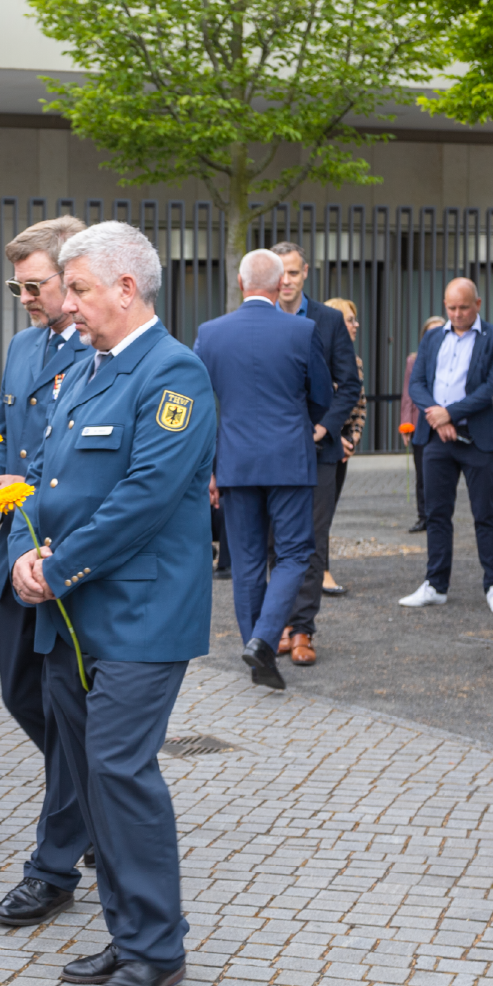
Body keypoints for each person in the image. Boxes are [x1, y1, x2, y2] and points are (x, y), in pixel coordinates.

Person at [9, 220, 215, 986]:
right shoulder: (88, 370)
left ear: (127, 288)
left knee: (121, 770)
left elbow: (143, 498)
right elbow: (47, 481)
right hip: (72, 612)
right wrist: (27, 555)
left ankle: (157, 949)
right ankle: (129, 930)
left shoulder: (173, 372)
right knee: (91, 772)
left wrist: (54, 567)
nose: (67, 304)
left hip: (138, 613)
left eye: (80, 289)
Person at [0, 215, 94, 930]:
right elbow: (4, 429)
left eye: (34, 285)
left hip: (62, 552)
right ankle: (96, 798)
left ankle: (56, 859)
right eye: (16, 286)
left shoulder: (98, 351)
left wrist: (28, 484)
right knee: (19, 689)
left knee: (64, 703)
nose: (25, 298)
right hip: (14, 542)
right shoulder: (23, 346)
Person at [194, 249, 329, 689]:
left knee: (247, 560)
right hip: (289, 458)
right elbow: (322, 396)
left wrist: (210, 464)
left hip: (235, 460)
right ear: (279, 285)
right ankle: (265, 641)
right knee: (293, 553)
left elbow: (199, 403)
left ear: (240, 283)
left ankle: (258, 655)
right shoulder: (302, 329)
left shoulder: (210, 333)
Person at [270, 241, 360, 667]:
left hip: (318, 449)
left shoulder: (328, 320)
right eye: (280, 273)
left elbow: (350, 383)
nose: (286, 281)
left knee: (310, 540)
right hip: (270, 449)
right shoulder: (261, 318)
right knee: (274, 540)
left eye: (293, 272)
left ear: (306, 272)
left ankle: (303, 628)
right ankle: (280, 625)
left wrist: (325, 427)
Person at [399, 278, 493, 614]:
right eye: (451, 308)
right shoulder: (433, 337)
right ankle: (435, 584)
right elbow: (417, 383)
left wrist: (450, 413)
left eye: (464, 307)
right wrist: (439, 417)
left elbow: (492, 387)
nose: (457, 314)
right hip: (437, 439)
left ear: (478, 304)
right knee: (436, 514)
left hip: (479, 439)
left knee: (485, 514)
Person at [318, 298, 366, 597]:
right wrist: (334, 435)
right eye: (349, 319)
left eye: (355, 319)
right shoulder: (317, 356)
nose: (355, 325)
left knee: (328, 510)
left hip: (342, 445)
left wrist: (353, 440)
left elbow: (360, 406)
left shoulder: (355, 361)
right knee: (318, 513)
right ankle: (321, 571)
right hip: (322, 440)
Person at [403, 314, 446, 533]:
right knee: (422, 474)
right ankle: (423, 516)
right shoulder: (414, 360)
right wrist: (406, 424)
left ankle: (439, 515)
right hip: (421, 425)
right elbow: (408, 394)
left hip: (446, 424)